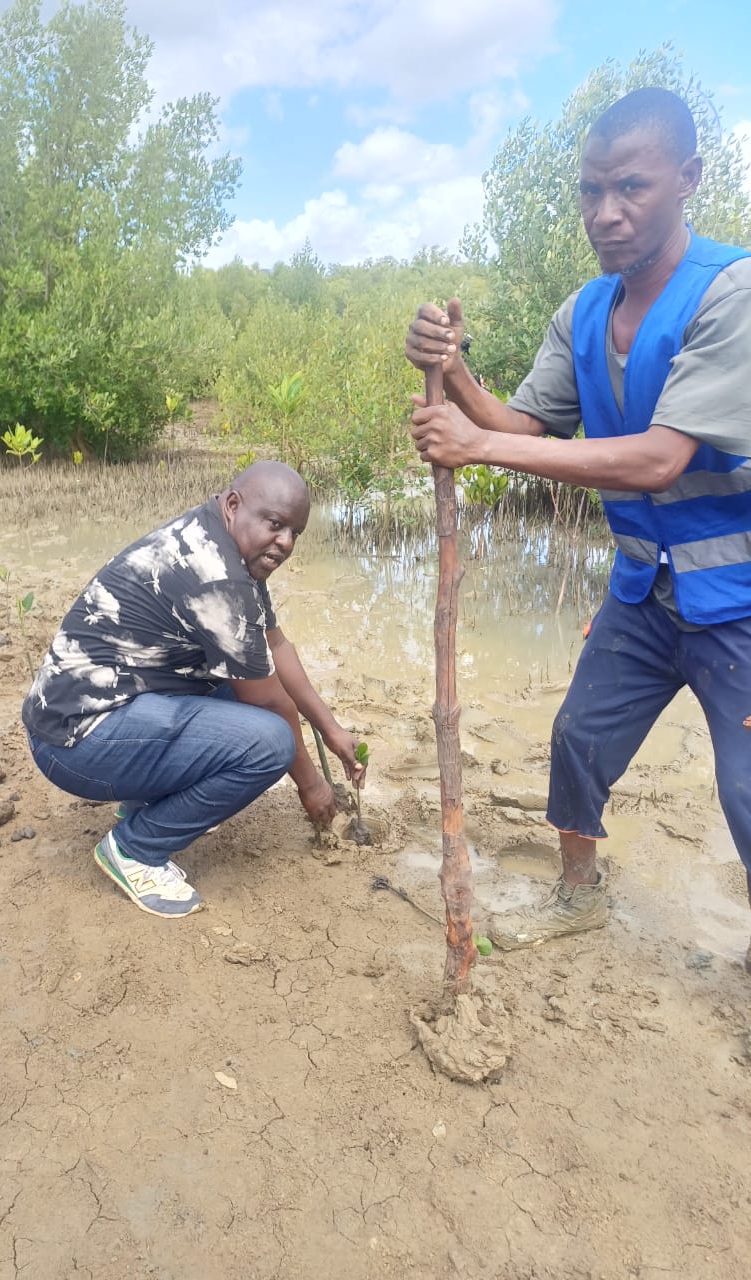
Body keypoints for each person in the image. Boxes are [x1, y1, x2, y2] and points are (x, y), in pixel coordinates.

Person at [405, 87, 751, 968]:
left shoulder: (733, 292)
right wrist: (456, 370)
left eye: (631, 187)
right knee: (578, 738)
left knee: (747, 789)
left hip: (740, 598)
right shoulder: (584, 312)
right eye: (592, 191)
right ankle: (579, 894)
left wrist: (476, 445)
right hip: (644, 590)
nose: (606, 212)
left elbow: (659, 459)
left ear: (688, 178)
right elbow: (525, 424)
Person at [22, 461, 365, 919]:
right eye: (275, 524)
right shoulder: (216, 575)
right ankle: (135, 849)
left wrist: (331, 730)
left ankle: (143, 801)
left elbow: (275, 645)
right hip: (74, 744)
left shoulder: (223, 543)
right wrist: (312, 785)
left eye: (295, 532)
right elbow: (269, 700)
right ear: (234, 505)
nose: (285, 542)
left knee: (234, 695)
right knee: (270, 742)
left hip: (101, 712)